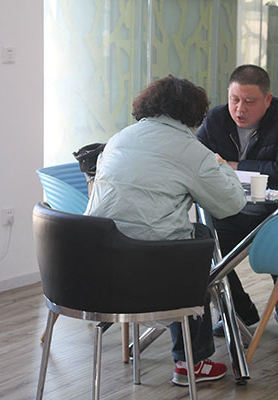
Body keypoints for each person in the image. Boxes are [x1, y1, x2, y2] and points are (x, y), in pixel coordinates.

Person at [85, 75, 247, 386]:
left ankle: (190, 349)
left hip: (97, 273)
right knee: (199, 239)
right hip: (151, 275)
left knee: (177, 236)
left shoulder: (119, 138)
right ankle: (192, 361)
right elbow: (231, 204)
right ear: (194, 114)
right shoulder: (190, 150)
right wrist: (221, 165)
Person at [196, 64, 278, 340]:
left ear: (267, 100)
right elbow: (197, 161)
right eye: (234, 99)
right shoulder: (216, 119)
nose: (239, 109)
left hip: (275, 210)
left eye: (249, 101)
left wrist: (234, 165)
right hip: (229, 208)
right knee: (204, 245)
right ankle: (238, 309)